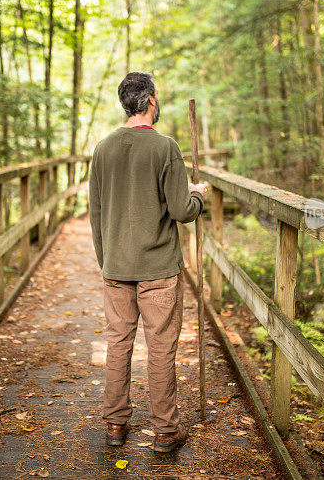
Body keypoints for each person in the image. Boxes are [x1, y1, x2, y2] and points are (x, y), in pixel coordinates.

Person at [88, 72, 207, 453]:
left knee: (118, 344)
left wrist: (108, 261)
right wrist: (199, 197)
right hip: (158, 268)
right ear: (151, 100)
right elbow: (181, 210)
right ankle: (165, 432)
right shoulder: (165, 147)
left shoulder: (102, 149)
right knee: (160, 348)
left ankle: (116, 426)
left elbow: (96, 213)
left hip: (117, 267)